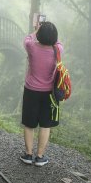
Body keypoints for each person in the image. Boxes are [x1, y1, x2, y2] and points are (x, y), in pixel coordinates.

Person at [20, 21, 63, 167]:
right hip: (49, 94)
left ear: (39, 35)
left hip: (31, 90)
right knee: (45, 125)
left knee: (29, 124)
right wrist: (50, 34)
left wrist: (36, 30)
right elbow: (58, 42)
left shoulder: (31, 47)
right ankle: (39, 157)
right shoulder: (57, 50)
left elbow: (28, 38)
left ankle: (28, 154)